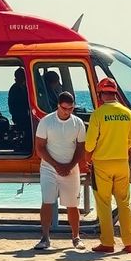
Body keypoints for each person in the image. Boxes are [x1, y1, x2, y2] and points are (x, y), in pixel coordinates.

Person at [84, 78, 131, 253]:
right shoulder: (127, 113)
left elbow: (90, 143)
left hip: (102, 164)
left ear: (100, 94)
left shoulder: (98, 114)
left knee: (104, 203)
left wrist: (88, 155)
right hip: (122, 163)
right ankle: (129, 243)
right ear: (115, 93)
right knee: (124, 202)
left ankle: (107, 243)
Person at [33, 91, 87, 250]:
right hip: (49, 168)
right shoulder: (46, 122)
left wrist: (69, 166)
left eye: (71, 108)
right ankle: (45, 237)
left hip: (70, 168)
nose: (67, 112)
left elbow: (80, 148)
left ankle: (76, 237)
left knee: (72, 204)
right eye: (64, 108)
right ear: (58, 106)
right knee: (47, 201)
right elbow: (40, 148)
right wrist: (56, 165)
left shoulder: (78, 123)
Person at [8, 67, 32, 144]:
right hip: (19, 116)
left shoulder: (21, 87)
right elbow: (22, 104)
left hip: (21, 114)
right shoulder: (16, 89)